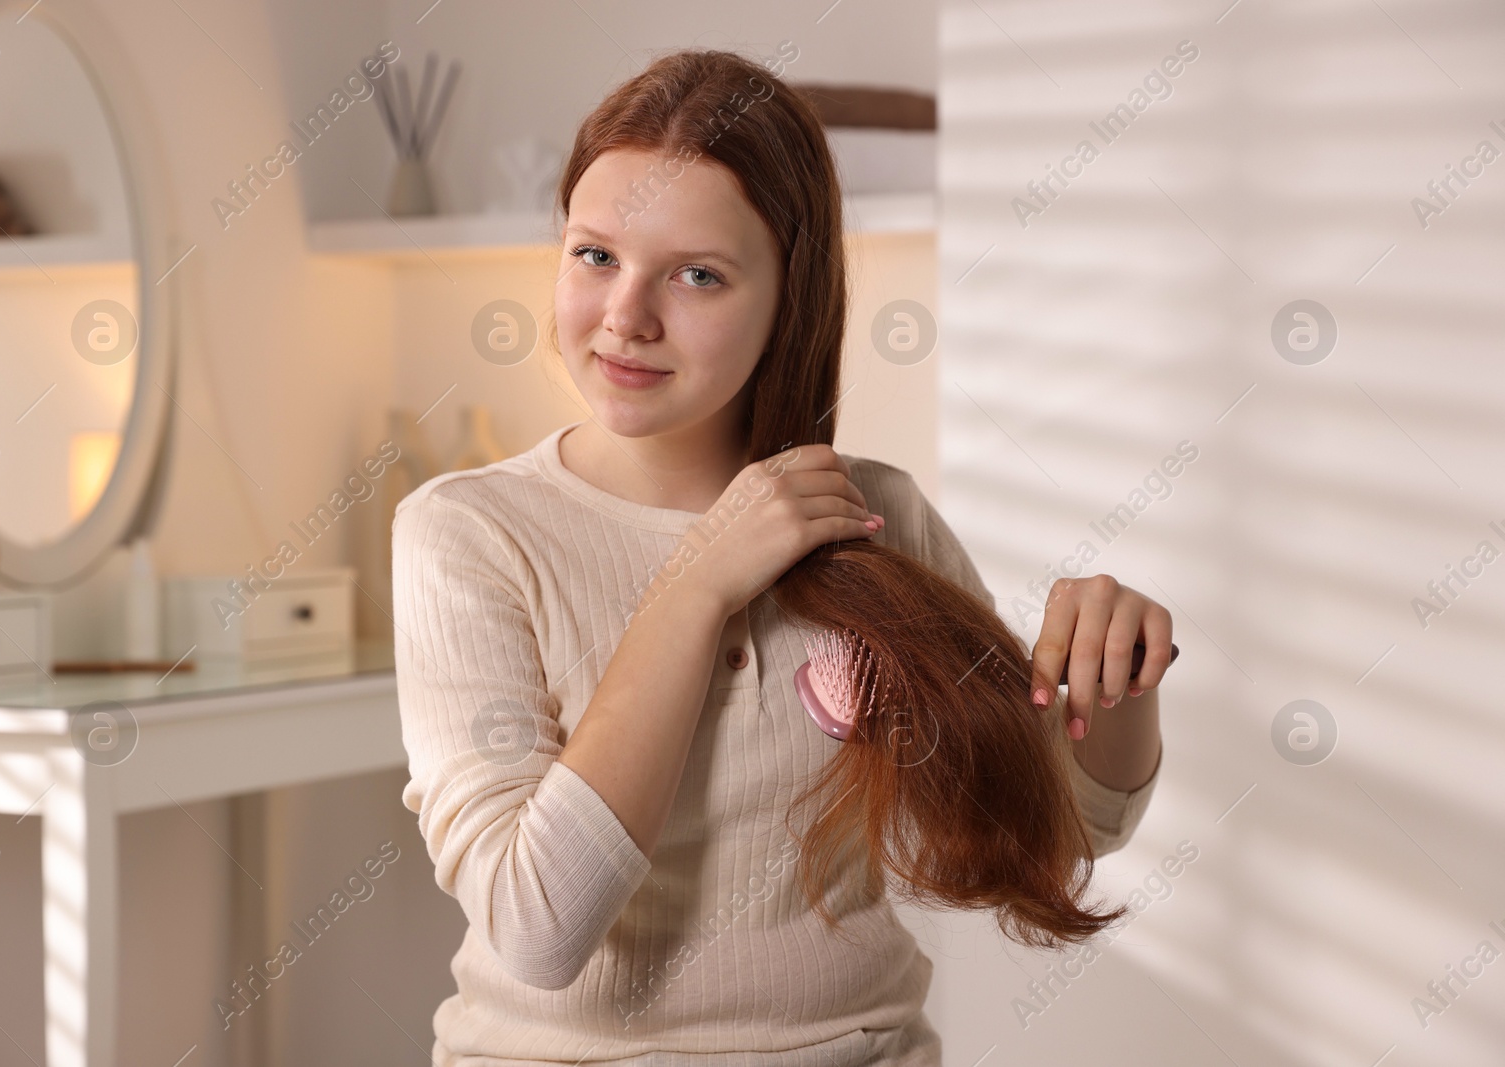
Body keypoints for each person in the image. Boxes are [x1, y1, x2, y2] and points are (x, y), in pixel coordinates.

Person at [392, 46, 1166, 1067]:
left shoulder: (873, 511)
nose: (626, 315)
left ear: (787, 295)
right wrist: (702, 579)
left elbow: (1053, 832)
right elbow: (537, 925)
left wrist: (1114, 678)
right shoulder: (468, 530)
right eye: (594, 255)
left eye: (697, 274)